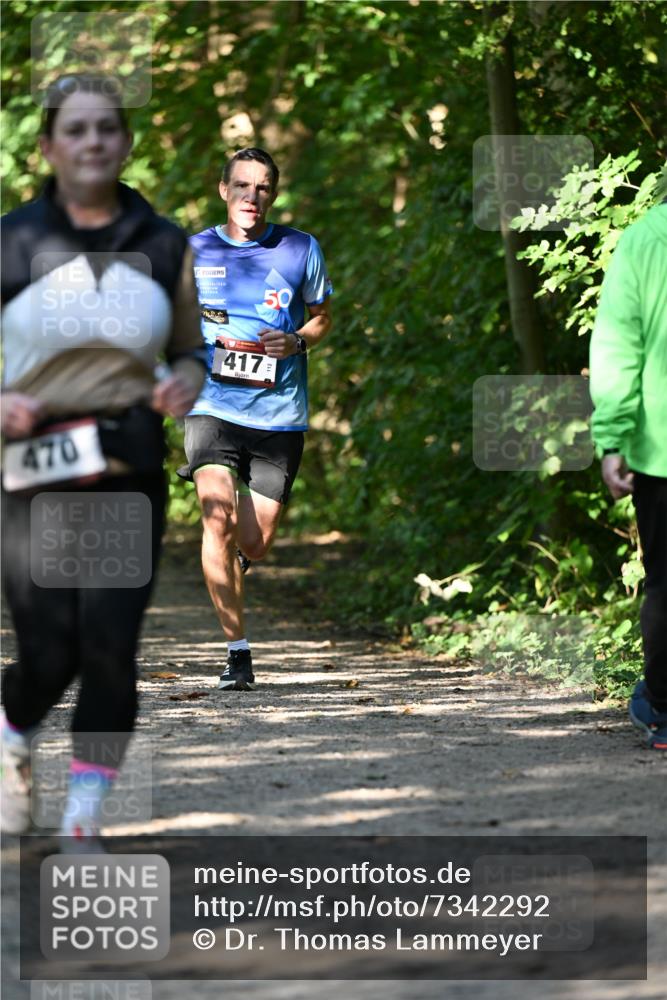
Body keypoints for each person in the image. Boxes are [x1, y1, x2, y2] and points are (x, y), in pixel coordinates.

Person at [0, 74, 206, 839]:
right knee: (50, 654)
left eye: (107, 129)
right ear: (49, 147)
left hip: (127, 467)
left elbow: (189, 351)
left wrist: (184, 383)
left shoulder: (161, 242)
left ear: (125, 143)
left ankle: (84, 821)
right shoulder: (11, 240)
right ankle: (12, 735)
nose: (93, 142)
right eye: (76, 130)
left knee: (112, 649)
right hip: (31, 471)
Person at [181, 147, 333, 691]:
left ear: (274, 193)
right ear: (224, 191)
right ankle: (237, 654)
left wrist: (294, 341)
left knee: (255, 543)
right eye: (241, 186)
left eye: (262, 187)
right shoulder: (192, 251)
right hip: (211, 406)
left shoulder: (299, 249)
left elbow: (321, 319)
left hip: (279, 416)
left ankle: (236, 565)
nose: (252, 196)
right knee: (216, 520)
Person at [590, 196, 667, 751]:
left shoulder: (644, 239)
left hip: (661, 450)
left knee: (665, 582)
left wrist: (612, 439)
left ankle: (663, 709)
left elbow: (620, 345)